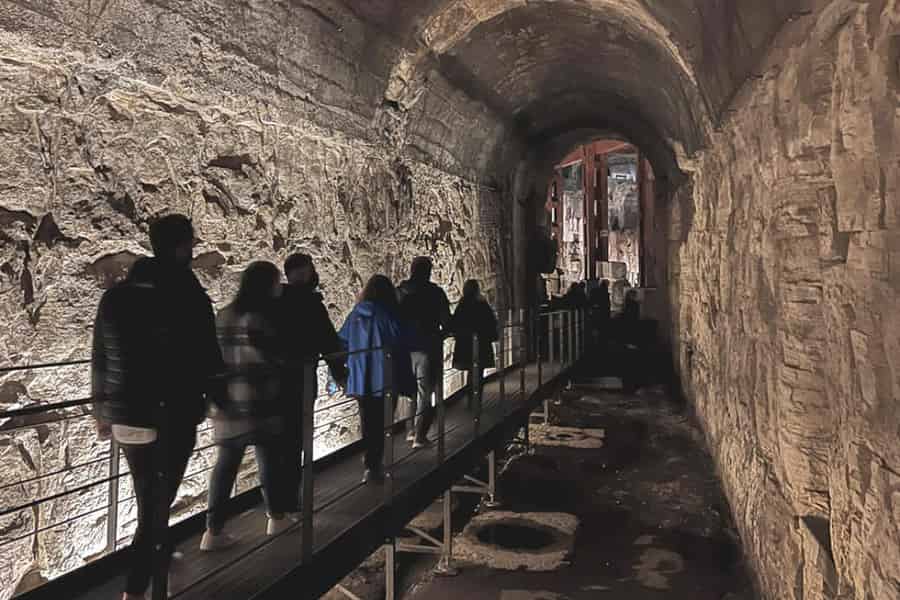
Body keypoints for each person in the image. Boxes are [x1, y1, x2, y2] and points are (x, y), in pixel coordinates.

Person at [91, 214, 222, 600]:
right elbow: (207, 357)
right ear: (182, 247)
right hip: (171, 412)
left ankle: (152, 570)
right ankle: (140, 587)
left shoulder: (115, 295)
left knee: (150, 498)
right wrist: (217, 397)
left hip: (125, 415)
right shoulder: (185, 292)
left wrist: (103, 412)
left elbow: (99, 357)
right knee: (155, 506)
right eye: (191, 244)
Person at [201, 261, 293, 551]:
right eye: (276, 281)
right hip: (260, 399)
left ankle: (212, 531)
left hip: (228, 402)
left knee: (225, 466)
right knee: (269, 461)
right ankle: (276, 517)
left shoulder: (222, 316)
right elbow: (276, 358)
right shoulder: (262, 319)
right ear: (266, 285)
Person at [277, 253, 347, 514]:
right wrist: (339, 372)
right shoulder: (309, 302)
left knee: (279, 442)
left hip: (275, 381)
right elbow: (327, 340)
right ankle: (290, 501)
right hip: (301, 379)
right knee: (296, 439)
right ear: (304, 272)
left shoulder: (276, 302)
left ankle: (276, 504)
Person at [338, 275, 415, 483]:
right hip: (385, 377)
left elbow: (342, 341)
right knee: (383, 423)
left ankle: (370, 464)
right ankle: (376, 465)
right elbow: (400, 340)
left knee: (367, 422)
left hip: (361, 378)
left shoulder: (355, 315)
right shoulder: (389, 314)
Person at [396, 257, 450, 448]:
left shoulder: (400, 292)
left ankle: (410, 430)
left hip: (404, 349)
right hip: (428, 347)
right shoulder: (435, 293)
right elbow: (447, 322)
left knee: (410, 392)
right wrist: (441, 335)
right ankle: (420, 436)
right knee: (425, 393)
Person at [449, 280, 498, 410]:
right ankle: (476, 401)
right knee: (478, 373)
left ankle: (471, 401)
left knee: (471, 373)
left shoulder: (462, 305)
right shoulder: (482, 305)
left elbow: (455, 323)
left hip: (466, 345)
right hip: (481, 344)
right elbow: (491, 323)